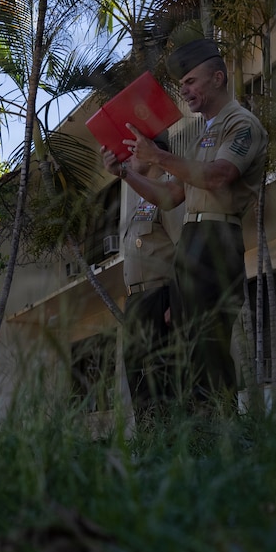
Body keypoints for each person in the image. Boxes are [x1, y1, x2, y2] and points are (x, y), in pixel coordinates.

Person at [117, 39, 267, 408]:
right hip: (192, 239)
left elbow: (219, 175)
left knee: (208, 350)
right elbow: (171, 196)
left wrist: (159, 157)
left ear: (217, 78)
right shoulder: (202, 133)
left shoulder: (242, 123)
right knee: (187, 355)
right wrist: (124, 172)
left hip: (217, 237)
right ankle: (199, 437)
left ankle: (225, 434)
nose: (184, 90)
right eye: (182, 84)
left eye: (191, 81)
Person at [102, 135, 181, 415]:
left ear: (151, 153)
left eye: (134, 151)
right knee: (139, 385)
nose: (128, 157)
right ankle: (148, 440)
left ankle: (168, 439)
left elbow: (184, 249)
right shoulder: (141, 202)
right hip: (137, 302)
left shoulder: (170, 194)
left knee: (161, 382)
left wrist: (177, 302)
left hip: (160, 299)